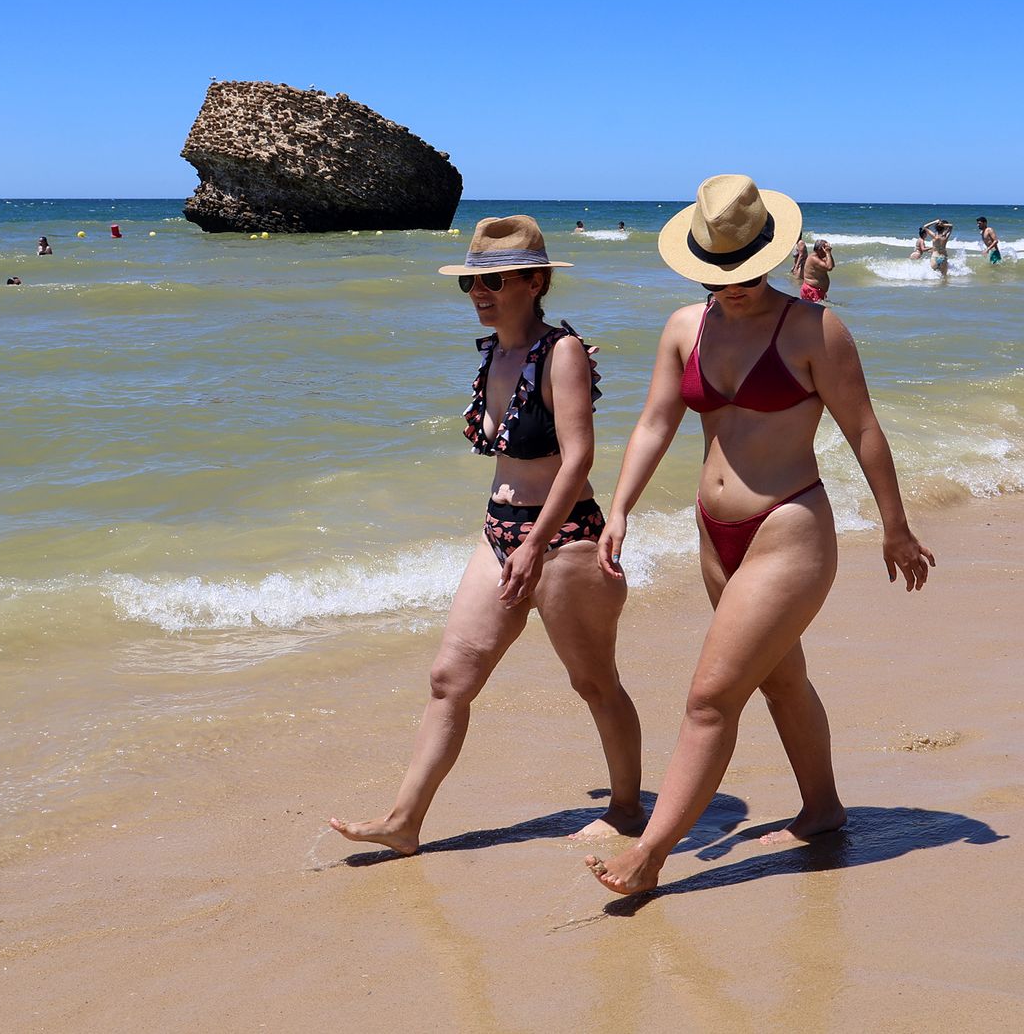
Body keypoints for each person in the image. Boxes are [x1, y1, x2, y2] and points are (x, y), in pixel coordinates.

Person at [584, 174, 934, 896]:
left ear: (769, 255)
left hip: (789, 528)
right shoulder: (686, 326)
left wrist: (895, 527)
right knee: (779, 676)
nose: (733, 285)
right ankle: (824, 809)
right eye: (720, 271)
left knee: (711, 695)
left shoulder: (813, 329)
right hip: (714, 535)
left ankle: (651, 852)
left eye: (745, 270)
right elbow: (655, 422)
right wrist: (619, 508)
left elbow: (863, 428)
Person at [329, 215, 645, 855]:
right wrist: (512, 542)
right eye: (471, 283)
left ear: (533, 281)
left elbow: (579, 458)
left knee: (593, 682)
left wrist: (534, 546)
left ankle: (625, 807)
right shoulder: (495, 353)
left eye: (493, 281)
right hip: (497, 534)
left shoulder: (563, 353)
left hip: (563, 540)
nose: (479, 293)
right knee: (450, 679)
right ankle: (404, 821)